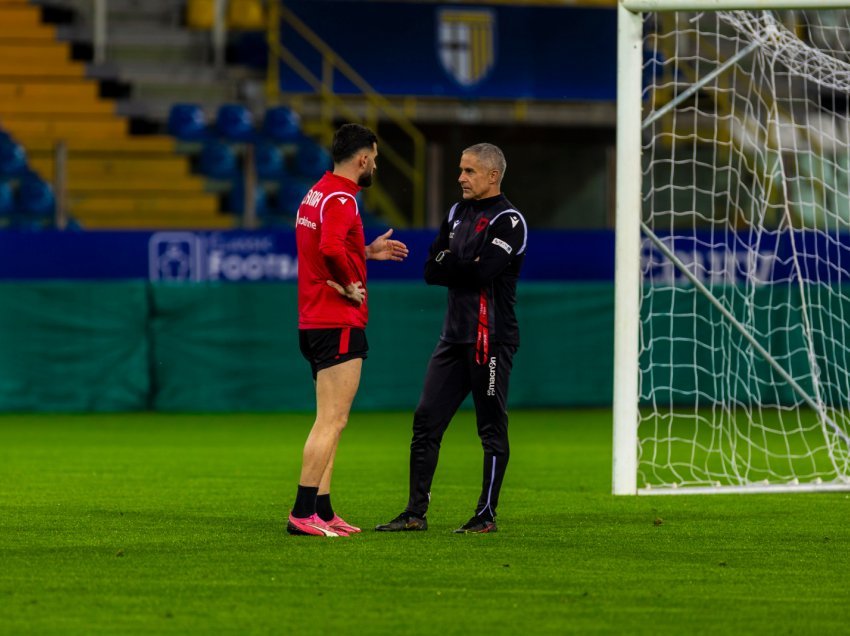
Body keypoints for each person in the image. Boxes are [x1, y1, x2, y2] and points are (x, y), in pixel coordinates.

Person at [376, 143, 527, 534]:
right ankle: (414, 513)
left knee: (491, 428)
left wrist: (453, 263)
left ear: (493, 176)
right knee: (425, 421)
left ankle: (485, 515)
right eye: (461, 170)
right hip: (453, 338)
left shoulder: (509, 220)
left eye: (470, 171)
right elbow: (430, 269)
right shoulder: (457, 213)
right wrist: (462, 264)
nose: (461, 177)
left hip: (490, 339)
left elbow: (483, 273)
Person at [288, 123, 409, 538]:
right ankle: (302, 511)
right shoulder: (342, 198)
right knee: (332, 421)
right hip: (336, 319)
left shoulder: (316, 193)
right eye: (374, 158)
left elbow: (323, 245)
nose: (374, 164)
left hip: (314, 318)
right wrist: (351, 282)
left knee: (330, 419)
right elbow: (329, 249)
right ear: (362, 159)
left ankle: (322, 510)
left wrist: (366, 252)